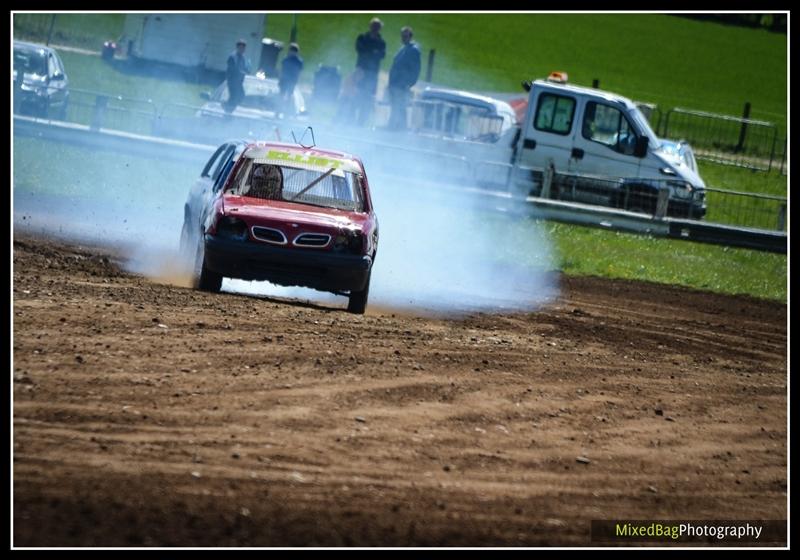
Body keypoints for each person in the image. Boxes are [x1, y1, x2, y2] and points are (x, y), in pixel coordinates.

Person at [353, 17, 386, 126]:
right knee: (356, 94)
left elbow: (381, 55)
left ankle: (361, 122)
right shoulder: (362, 37)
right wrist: (373, 52)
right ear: (370, 26)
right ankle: (349, 118)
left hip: (372, 74)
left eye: (377, 27)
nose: (375, 29)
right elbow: (359, 49)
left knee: (367, 98)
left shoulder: (381, 42)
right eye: (373, 26)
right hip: (361, 71)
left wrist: (369, 52)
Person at [387, 26, 421, 130]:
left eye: (406, 36)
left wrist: (408, 83)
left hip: (402, 85)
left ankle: (400, 128)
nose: (403, 38)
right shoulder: (403, 49)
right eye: (402, 36)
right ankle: (393, 126)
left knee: (400, 107)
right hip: (395, 84)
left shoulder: (414, 50)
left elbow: (415, 69)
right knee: (395, 107)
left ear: (410, 36)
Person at [225, 39, 251, 113]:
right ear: (237, 47)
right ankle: (228, 109)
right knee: (234, 96)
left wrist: (247, 70)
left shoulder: (242, 57)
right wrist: (242, 72)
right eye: (241, 48)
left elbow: (243, 67)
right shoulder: (232, 57)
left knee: (241, 96)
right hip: (232, 81)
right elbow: (233, 68)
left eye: (244, 48)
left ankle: (229, 108)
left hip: (239, 82)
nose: (243, 49)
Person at [278, 43, 304, 116]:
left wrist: (297, 80)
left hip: (291, 81)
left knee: (289, 96)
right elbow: (282, 70)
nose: (292, 52)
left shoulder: (298, 61)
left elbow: (299, 72)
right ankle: (278, 111)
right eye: (291, 51)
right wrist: (280, 79)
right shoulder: (286, 60)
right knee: (281, 96)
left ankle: (287, 112)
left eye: (294, 51)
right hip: (284, 80)